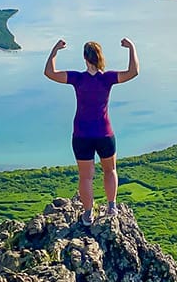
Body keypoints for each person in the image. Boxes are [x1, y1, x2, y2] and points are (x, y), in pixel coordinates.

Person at [44, 38, 139, 219]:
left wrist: (55, 50)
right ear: (100, 57)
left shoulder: (77, 78)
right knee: (110, 170)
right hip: (104, 133)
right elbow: (133, 72)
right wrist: (131, 47)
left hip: (81, 135)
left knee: (86, 177)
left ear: (84, 58)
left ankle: (88, 214)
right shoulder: (107, 78)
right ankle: (112, 207)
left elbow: (49, 72)